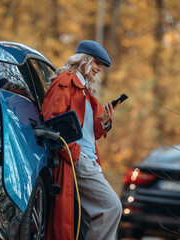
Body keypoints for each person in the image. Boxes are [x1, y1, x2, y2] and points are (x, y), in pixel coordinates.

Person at [42, 40, 122, 240]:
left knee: (88, 220)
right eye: (96, 63)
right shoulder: (65, 81)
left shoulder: (85, 91)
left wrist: (103, 121)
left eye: (101, 66)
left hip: (89, 159)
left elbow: (88, 132)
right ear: (84, 59)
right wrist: (74, 154)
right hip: (78, 158)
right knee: (111, 207)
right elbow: (53, 122)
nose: (98, 69)